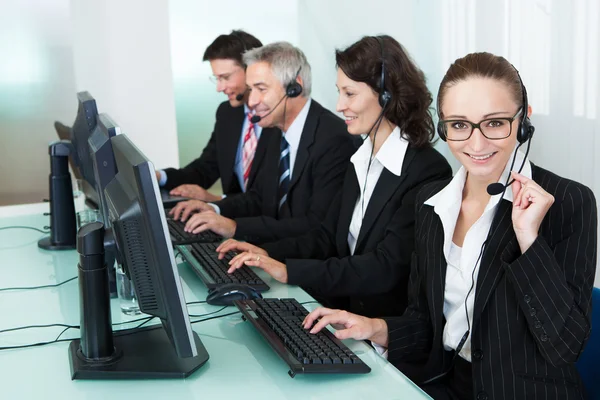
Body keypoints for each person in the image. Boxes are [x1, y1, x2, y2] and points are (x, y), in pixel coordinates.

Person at [302, 52, 597, 399]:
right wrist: (374, 327)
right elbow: (426, 325)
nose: (476, 143)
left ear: (524, 122)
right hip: (445, 386)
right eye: (458, 125)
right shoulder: (432, 202)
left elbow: (565, 346)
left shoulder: (567, 202)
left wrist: (528, 239)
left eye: (495, 123)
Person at [216, 35, 452, 318]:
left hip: (382, 327)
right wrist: (264, 253)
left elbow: (384, 267)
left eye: (350, 94)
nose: (340, 105)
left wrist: (289, 270)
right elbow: (326, 236)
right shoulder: (361, 157)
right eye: (339, 92)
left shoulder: (425, 170)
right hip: (342, 311)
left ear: (387, 94)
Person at [170, 42, 357, 244]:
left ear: (295, 87)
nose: (252, 101)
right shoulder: (276, 129)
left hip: (305, 265)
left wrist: (235, 228)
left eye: (261, 88)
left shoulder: (335, 140)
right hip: (277, 251)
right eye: (251, 89)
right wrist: (214, 209)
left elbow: (316, 227)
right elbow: (259, 197)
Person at [155, 30, 278, 201]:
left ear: (252, 70)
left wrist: (216, 200)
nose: (219, 88)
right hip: (235, 217)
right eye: (217, 78)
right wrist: (159, 177)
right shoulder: (228, 113)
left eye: (225, 77)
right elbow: (205, 169)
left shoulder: (279, 117)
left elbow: (273, 196)